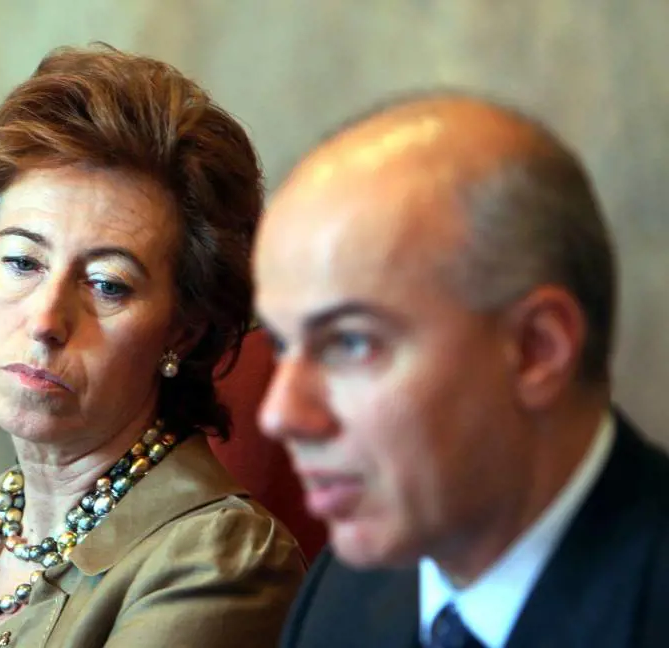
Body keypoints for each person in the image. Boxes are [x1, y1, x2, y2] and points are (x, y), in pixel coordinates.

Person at [0, 44, 305, 647]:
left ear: (182, 331)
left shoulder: (221, 561)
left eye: (107, 284)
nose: (46, 320)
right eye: (22, 262)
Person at [254, 92, 669, 648]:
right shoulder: (341, 596)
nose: (279, 414)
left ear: (536, 350)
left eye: (351, 342)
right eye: (281, 344)